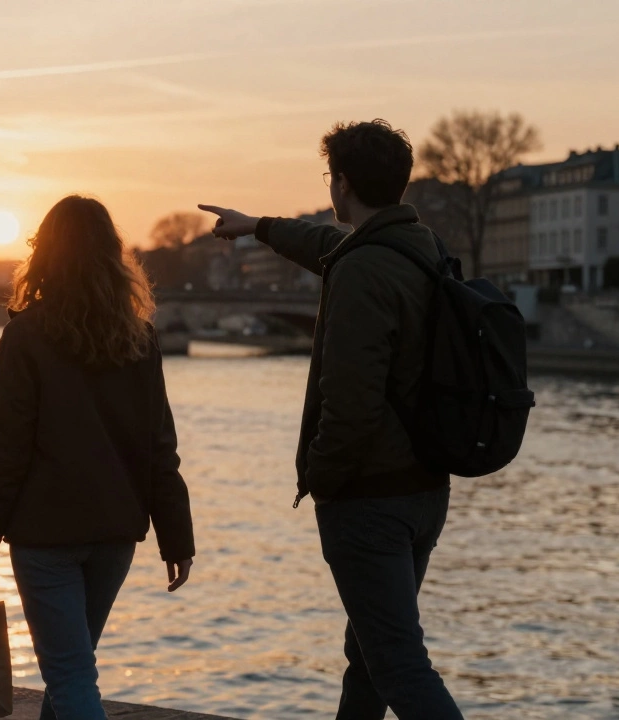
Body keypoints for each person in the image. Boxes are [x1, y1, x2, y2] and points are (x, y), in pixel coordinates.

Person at [199, 119, 464, 720]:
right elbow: (327, 246)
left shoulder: (363, 270)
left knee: (396, 661)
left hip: (370, 494)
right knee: (369, 654)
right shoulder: (417, 247)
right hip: (425, 487)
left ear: (341, 184)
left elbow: (349, 400)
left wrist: (323, 478)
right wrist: (259, 227)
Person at [0, 195, 196, 720]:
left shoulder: (24, 338)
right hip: (115, 533)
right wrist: (176, 537)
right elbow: (160, 447)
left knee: (68, 675)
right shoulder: (140, 339)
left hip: (46, 534)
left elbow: (3, 454)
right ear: (113, 258)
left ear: (44, 254)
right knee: (71, 669)